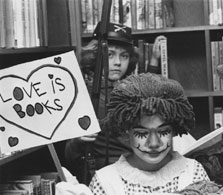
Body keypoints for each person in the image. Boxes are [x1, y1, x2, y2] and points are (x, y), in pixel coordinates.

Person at [86, 73, 210, 195]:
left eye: (163, 131)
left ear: (174, 130)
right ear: (126, 133)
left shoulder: (193, 173)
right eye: (142, 133)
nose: (154, 143)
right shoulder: (104, 182)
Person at [64, 21, 181, 184]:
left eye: (124, 56)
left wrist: (154, 60)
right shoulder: (85, 93)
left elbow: (143, 95)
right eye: (110, 55)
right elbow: (69, 155)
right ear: (95, 56)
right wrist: (77, 140)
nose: (118, 62)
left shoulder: (126, 87)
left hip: (141, 165)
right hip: (109, 174)